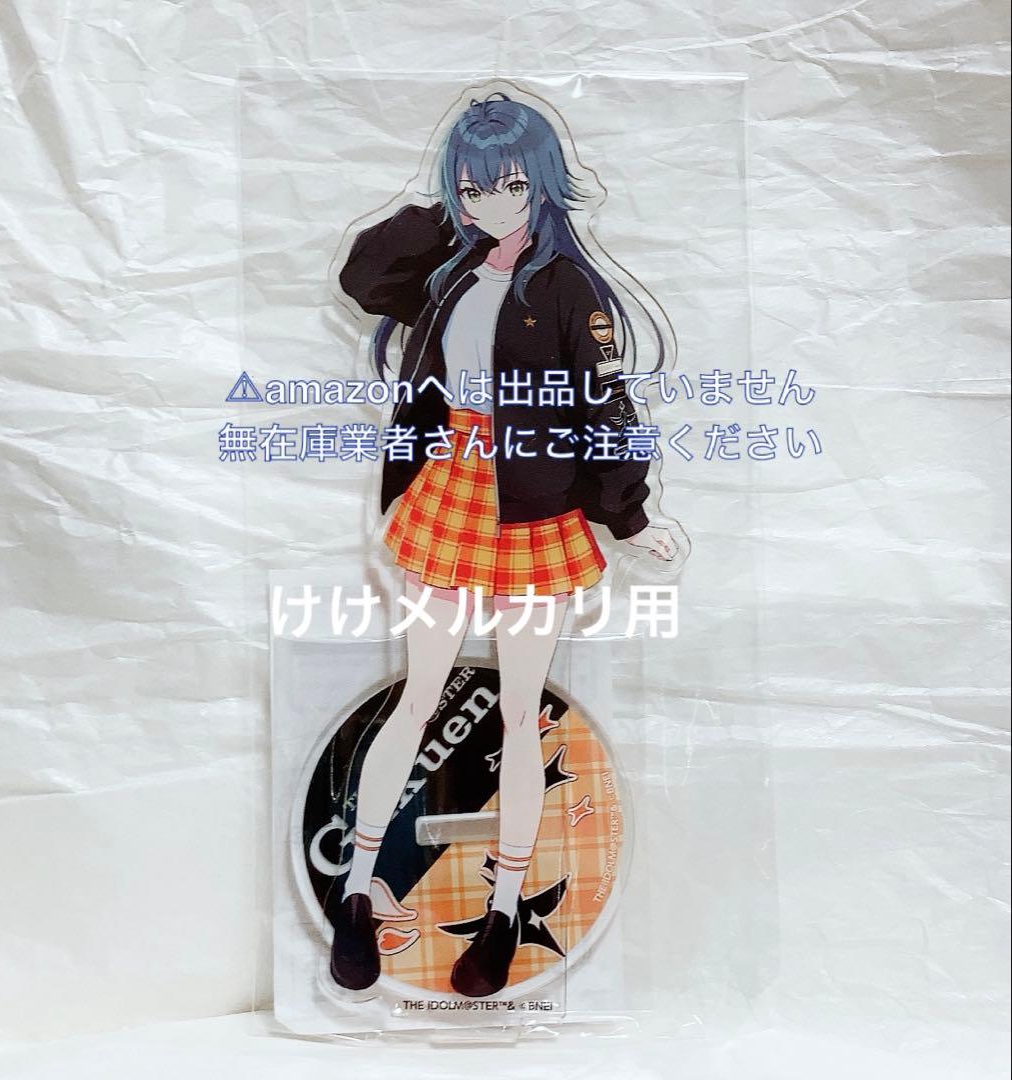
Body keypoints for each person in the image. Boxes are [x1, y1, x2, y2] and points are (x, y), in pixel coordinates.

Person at [330, 92, 676, 997]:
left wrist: (631, 516)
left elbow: (605, 407)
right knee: (417, 697)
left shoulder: (570, 290)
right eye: (475, 189)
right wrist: (439, 205)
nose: (494, 205)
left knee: (523, 714)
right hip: (449, 488)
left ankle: (504, 908)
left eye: (513, 186)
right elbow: (363, 277)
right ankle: (359, 889)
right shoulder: (448, 271)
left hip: (535, 506)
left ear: (545, 184)